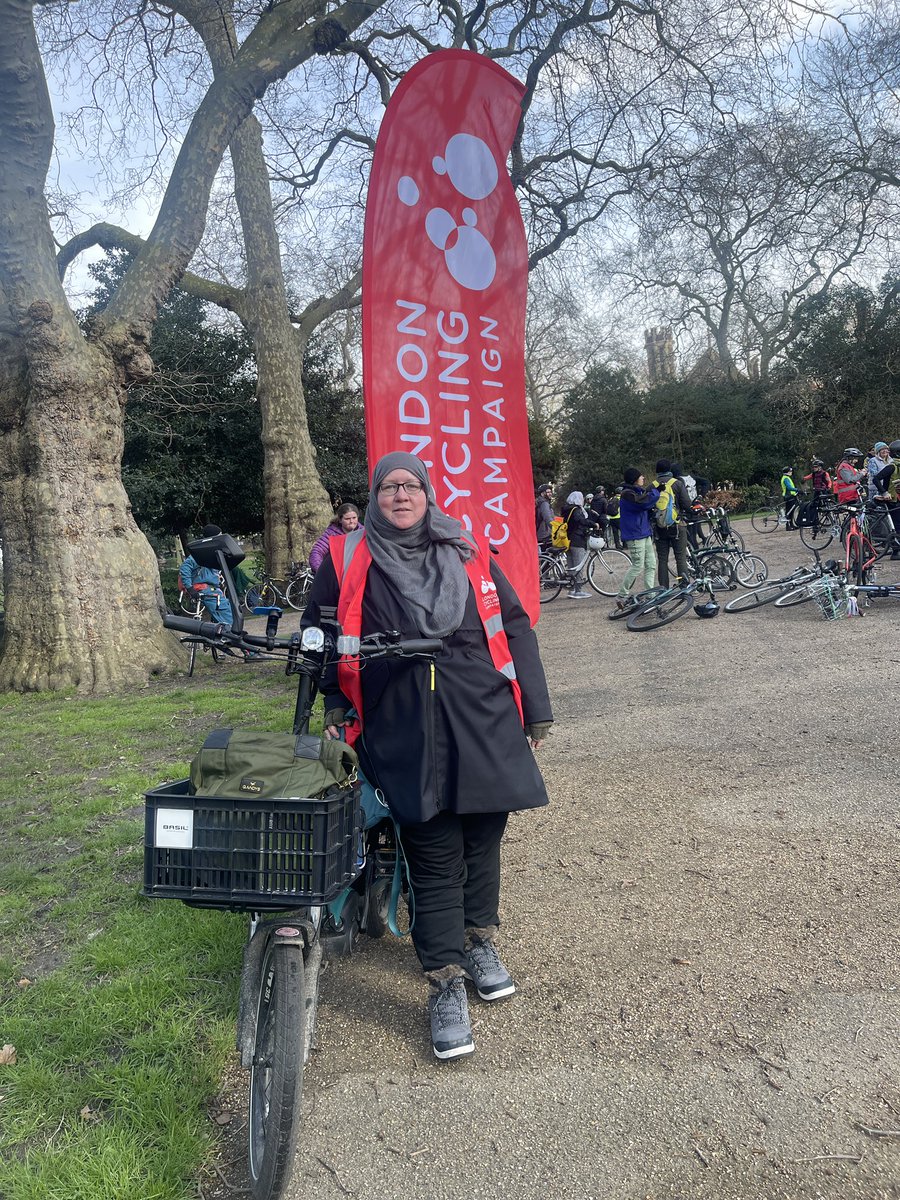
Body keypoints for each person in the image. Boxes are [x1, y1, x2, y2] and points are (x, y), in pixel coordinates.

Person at [303, 451, 553, 1060]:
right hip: (401, 719)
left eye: (410, 485)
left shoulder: (466, 548)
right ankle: (444, 982)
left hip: (482, 711)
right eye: (387, 486)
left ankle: (478, 939)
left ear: (428, 492)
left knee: (482, 839)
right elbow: (324, 634)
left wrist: (537, 706)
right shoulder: (346, 556)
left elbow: (515, 624)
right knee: (433, 847)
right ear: (373, 497)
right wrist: (335, 703)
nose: (399, 494)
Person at [612, 468, 659, 613]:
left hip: (644, 532)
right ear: (634, 479)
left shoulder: (636, 491)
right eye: (641, 476)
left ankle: (650, 595)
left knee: (651, 565)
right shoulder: (628, 494)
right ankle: (621, 595)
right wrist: (655, 492)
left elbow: (646, 503)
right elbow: (643, 504)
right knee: (638, 565)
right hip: (634, 534)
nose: (643, 478)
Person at [178, 524, 234, 627]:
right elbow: (185, 568)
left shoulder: (208, 551)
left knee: (222, 614)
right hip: (206, 589)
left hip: (209, 588)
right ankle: (230, 637)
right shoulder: (201, 553)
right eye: (219, 536)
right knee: (228, 616)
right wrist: (190, 588)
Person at [653, 460, 691, 587]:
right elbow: (686, 504)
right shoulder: (677, 484)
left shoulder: (652, 486)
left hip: (659, 527)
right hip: (677, 524)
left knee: (662, 560)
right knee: (680, 558)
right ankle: (683, 585)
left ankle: (664, 588)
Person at [561, 490, 595, 599]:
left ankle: (572, 589)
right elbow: (580, 521)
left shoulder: (566, 509)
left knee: (572, 566)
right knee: (579, 565)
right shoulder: (576, 510)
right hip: (577, 539)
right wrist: (593, 524)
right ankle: (578, 590)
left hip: (567, 539)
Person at [308, 503, 361, 572]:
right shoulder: (331, 534)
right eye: (347, 519)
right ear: (340, 520)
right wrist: (321, 571)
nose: (351, 521)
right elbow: (317, 551)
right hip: (338, 574)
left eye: (354, 518)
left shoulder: (364, 532)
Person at [534, 483, 554, 548]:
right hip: (545, 535)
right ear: (542, 493)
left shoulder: (541, 502)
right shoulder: (544, 503)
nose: (550, 493)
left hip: (541, 533)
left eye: (551, 492)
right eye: (548, 492)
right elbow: (548, 518)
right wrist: (556, 528)